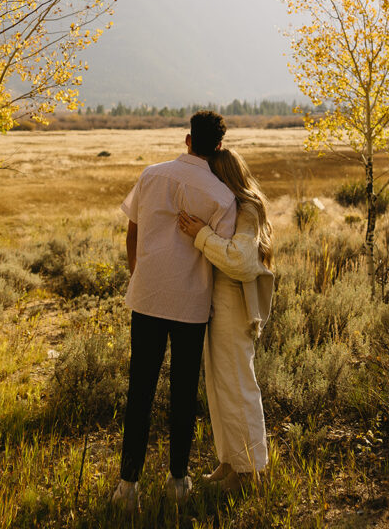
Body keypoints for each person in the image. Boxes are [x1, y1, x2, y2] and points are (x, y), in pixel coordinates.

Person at [112, 110, 236, 514]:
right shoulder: (223, 196)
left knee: (140, 389)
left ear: (187, 139)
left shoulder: (151, 175)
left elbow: (131, 231)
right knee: (183, 393)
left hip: (147, 297)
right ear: (217, 147)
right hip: (190, 303)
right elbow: (223, 255)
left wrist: (139, 275)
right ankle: (178, 480)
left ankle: (127, 485)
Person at [178, 147, 274, 493]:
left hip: (234, 305)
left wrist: (202, 235)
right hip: (219, 305)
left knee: (237, 386)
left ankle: (249, 474)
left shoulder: (246, 209)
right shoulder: (233, 207)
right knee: (220, 389)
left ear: (223, 177)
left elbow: (242, 260)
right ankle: (229, 461)